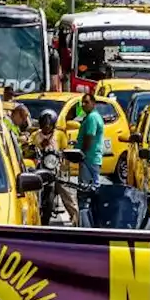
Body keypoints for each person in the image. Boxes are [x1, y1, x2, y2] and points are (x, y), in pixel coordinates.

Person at [35, 110, 79, 227]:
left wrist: (64, 160)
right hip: (41, 168)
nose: (46, 128)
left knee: (66, 192)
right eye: (44, 126)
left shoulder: (59, 135)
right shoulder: (36, 135)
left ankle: (76, 219)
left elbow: (65, 149)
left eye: (48, 126)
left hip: (57, 167)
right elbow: (30, 148)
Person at [76, 93, 105, 228]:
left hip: (89, 157)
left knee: (86, 191)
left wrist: (82, 152)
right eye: (82, 102)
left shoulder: (92, 117)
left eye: (86, 102)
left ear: (93, 103)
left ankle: (86, 223)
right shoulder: (90, 117)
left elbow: (89, 136)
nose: (83, 105)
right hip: (91, 158)